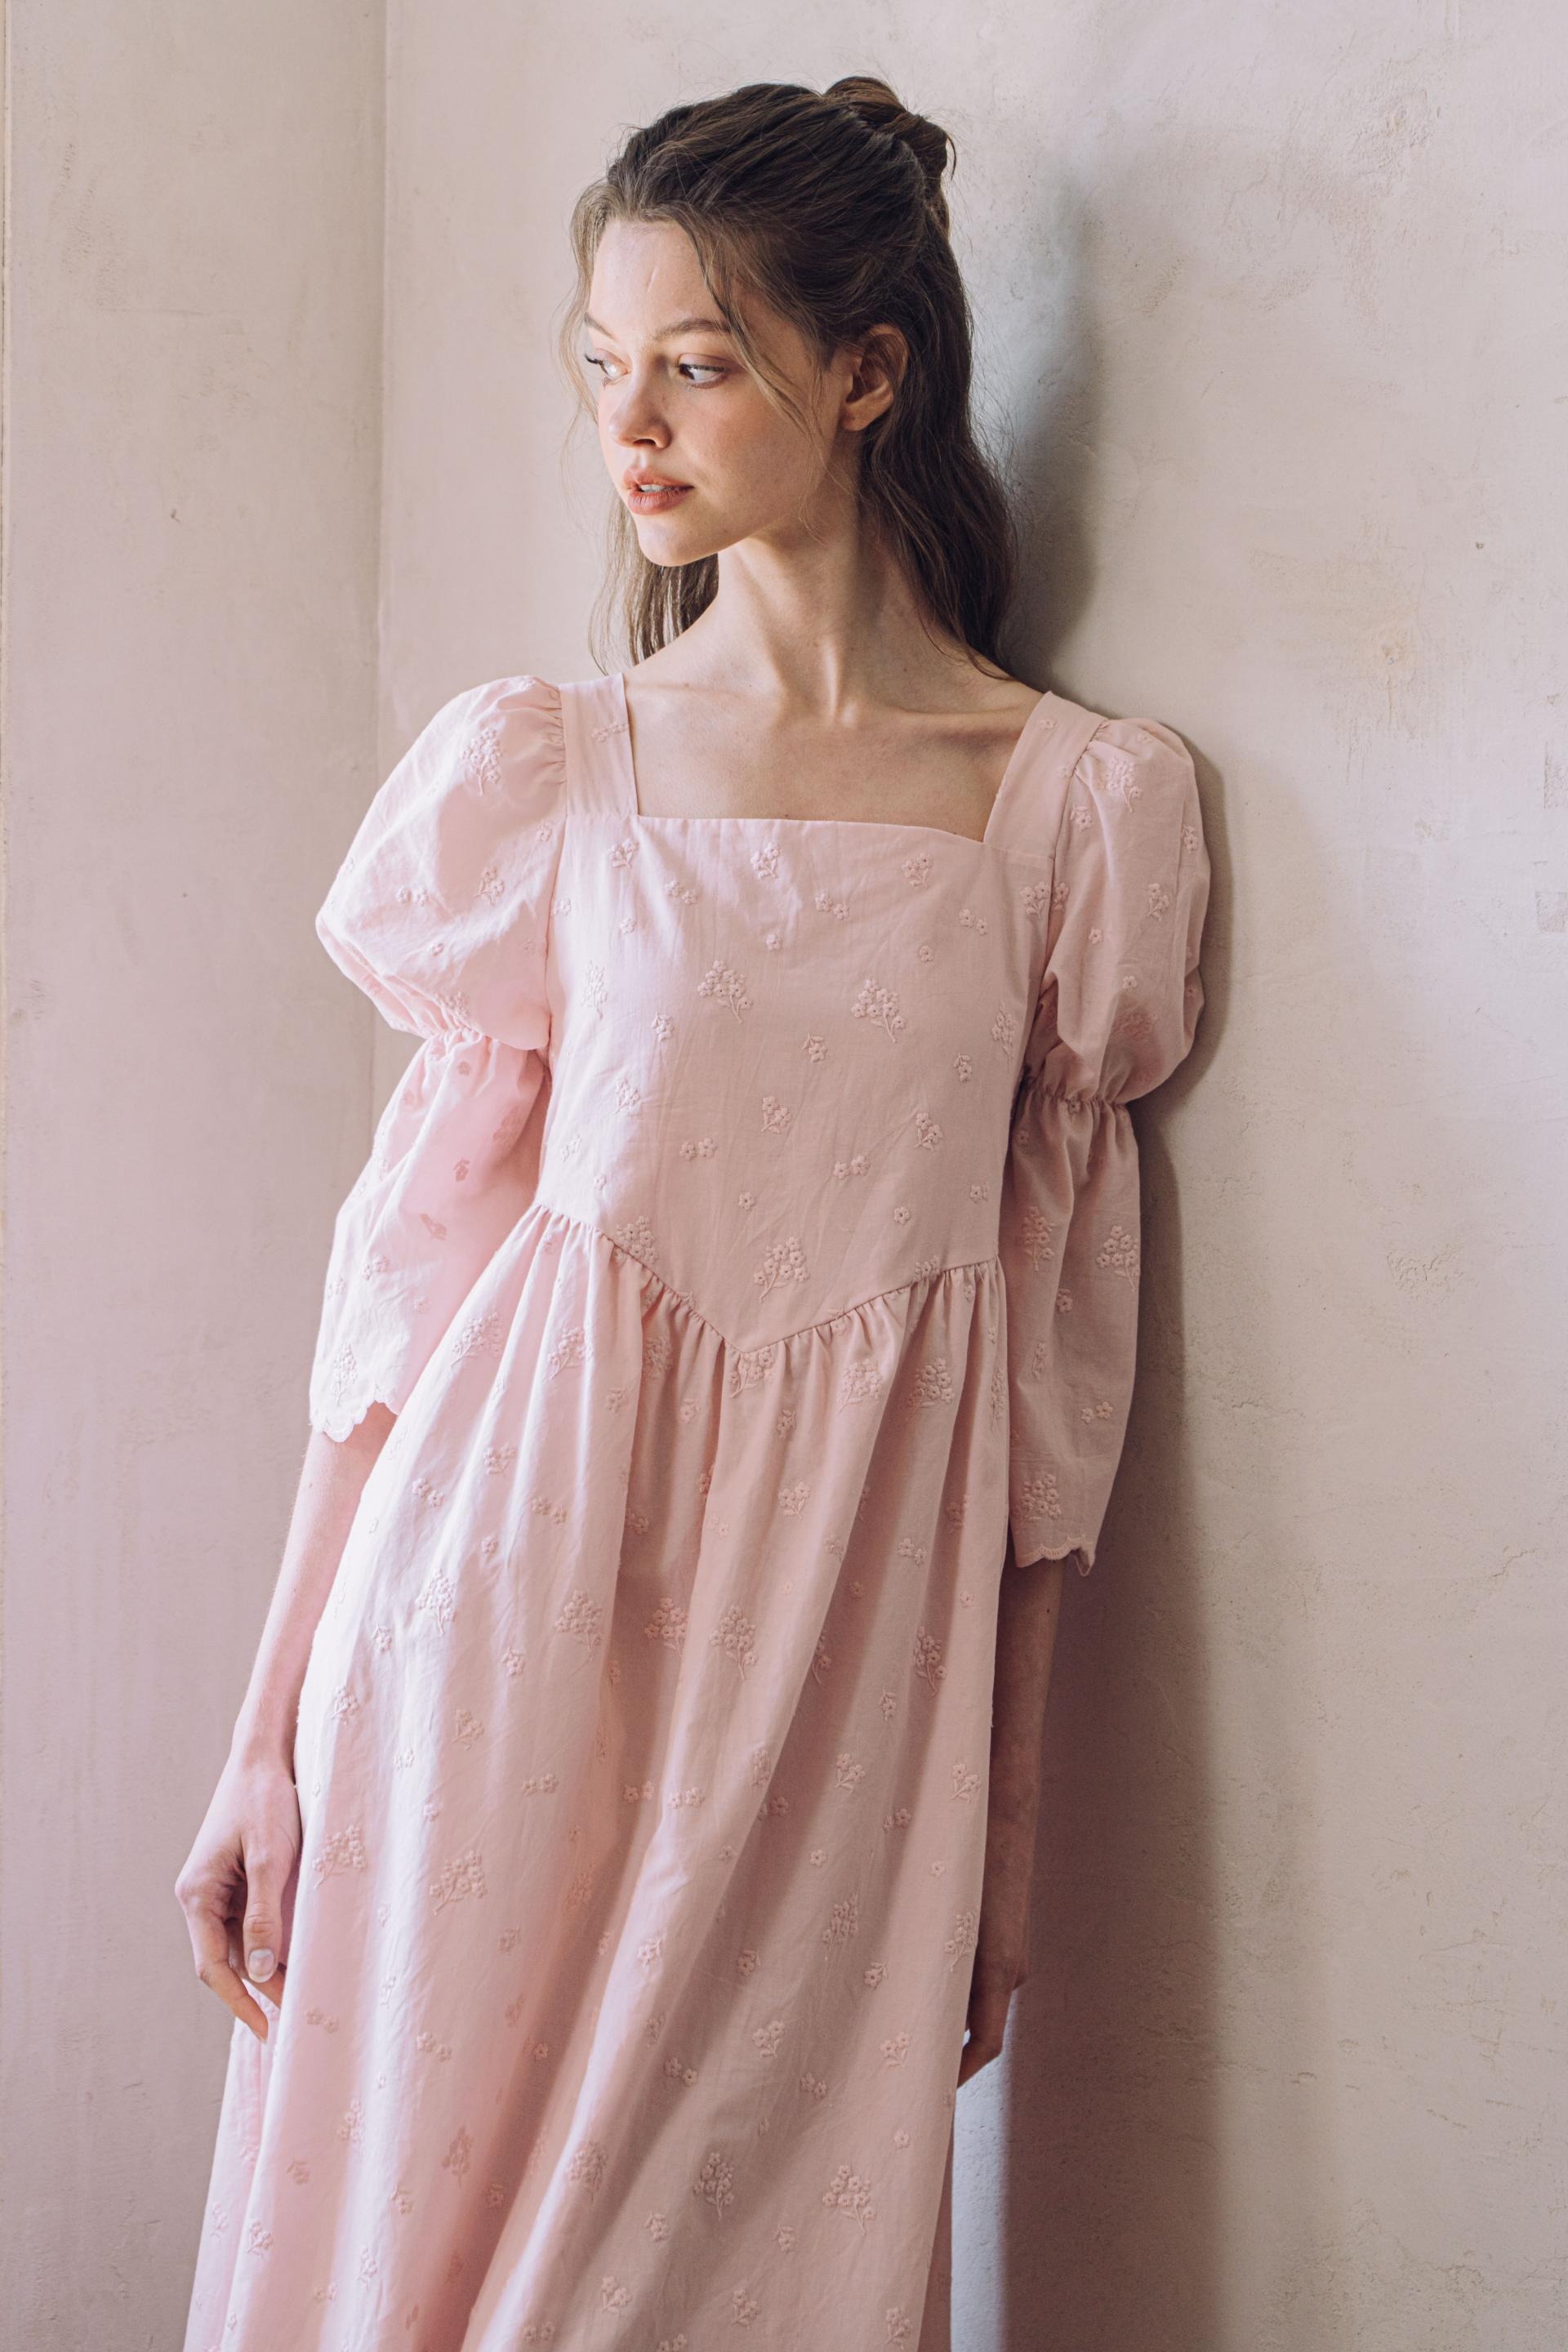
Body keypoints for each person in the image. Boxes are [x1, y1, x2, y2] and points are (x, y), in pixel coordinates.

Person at [176, 74, 1210, 2350]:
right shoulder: (554, 769)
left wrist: (1005, 1829)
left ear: (869, 374)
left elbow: (1057, 1387)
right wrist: (266, 1735)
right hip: (493, 1625)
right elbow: (404, 1295)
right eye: (600, 365)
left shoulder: (1071, 809)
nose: (628, 427)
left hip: (842, 1683)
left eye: (699, 364)